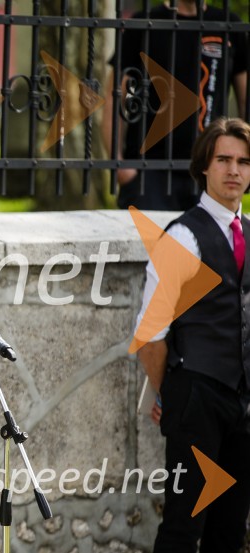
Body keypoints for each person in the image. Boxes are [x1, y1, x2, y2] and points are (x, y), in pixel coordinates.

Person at [136, 117, 250, 552]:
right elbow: (151, 335)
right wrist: (172, 396)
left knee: (231, 529)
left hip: (243, 404)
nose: (234, 170)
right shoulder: (184, 236)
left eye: (243, 161)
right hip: (196, 397)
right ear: (205, 165)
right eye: (223, 159)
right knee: (184, 528)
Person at [102, 0, 248, 210]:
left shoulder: (229, 24)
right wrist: (119, 166)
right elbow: (114, 96)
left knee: (208, 243)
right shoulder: (145, 23)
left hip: (212, 170)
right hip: (148, 172)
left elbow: (246, 103)